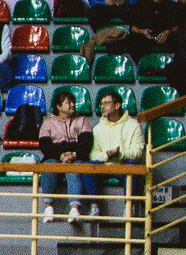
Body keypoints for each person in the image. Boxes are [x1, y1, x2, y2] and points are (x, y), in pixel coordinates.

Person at [86, 88, 148, 220]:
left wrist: (120, 154)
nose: (103, 107)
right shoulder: (98, 128)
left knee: (131, 166)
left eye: (107, 103)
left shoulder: (133, 125)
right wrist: (107, 156)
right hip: (106, 164)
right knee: (87, 167)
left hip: (123, 164)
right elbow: (93, 154)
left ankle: (128, 207)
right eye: (101, 104)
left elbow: (138, 152)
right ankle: (94, 207)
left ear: (117, 105)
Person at [37, 87, 94, 221]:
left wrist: (74, 154)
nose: (72, 105)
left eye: (73, 102)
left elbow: (86, 143)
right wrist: (60, 156)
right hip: (55, 158)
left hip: (77, 157)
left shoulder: (82, 120)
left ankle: (74, 209)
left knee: (74, 169)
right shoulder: (48, 123)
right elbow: (45, 146)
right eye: (68, 103)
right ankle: (49, 208)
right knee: (49, 166)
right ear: (58, 106)